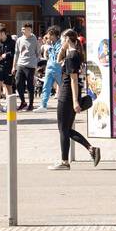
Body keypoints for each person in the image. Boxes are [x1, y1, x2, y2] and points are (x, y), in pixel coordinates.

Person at [48, 29, 101, 171]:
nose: (60, 42)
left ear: (67, 39)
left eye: (62, 39)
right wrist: (63, 49)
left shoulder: (72, 56)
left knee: (63, 129)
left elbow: (73, 79)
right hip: (69, 94)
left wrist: (75, 101)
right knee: (66, 129)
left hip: (67, 95)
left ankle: (65, 161)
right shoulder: (73, 54)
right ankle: (91, 149)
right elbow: (58, 61)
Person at [14, 23, 38, 110]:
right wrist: (14, 66)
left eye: (28, 29)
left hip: (30, 65)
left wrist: (36, 66)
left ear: (30, 30)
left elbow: (37, 52)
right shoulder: (19, 39)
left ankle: (31, 104)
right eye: (24, 29)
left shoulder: (34, 39)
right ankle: (23, 102)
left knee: (30, 85)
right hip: (20, 64)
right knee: (18, 83)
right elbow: (16, 53)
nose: (25, 31)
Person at [0, 25, 15, 101]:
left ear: (3, 33)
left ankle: (9, 104)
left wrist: (6, 55)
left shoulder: (12, 42)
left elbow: (16, 53)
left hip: (9, 66)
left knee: (8, 86)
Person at [40, 27, 63, 110]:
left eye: (49, 34)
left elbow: (58, 56)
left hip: (58, 68)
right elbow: (46, 56)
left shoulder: (59, 44)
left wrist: (48, 47)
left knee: (63, 87)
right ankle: (43, 105)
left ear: (53, 35)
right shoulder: (51, 43)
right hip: (49, 67)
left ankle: (69, 103)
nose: (47, 36)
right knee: (46, 86)